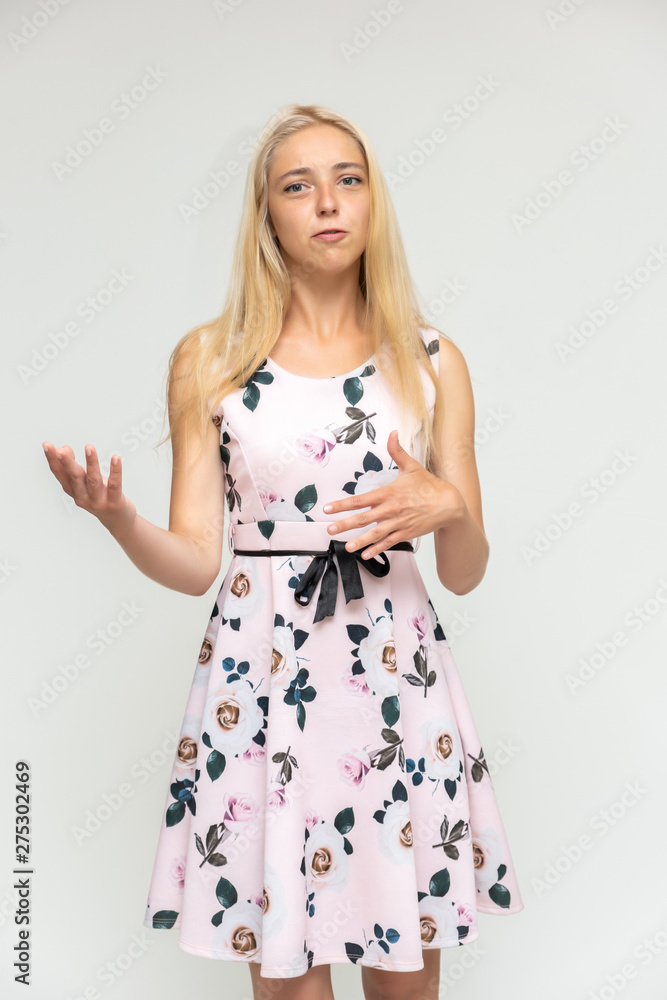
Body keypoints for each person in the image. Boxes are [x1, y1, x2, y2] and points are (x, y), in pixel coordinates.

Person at [43, 103, 524, 1000]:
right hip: (264, 676)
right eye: (296, 186)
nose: (327, 202)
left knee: (403, 970)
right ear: (267, 214)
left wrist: (448, 503)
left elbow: (463, 569)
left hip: (391, 677)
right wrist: (117, 519)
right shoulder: (211, 361)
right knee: (286, 973)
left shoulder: (429, 359)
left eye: (348, 179)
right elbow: (195, 562)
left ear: (373, 201)